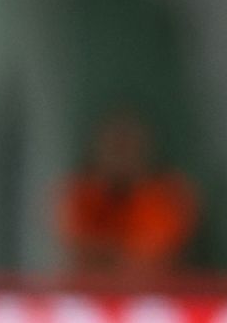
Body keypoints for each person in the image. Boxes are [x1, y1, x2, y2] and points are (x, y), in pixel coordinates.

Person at [58, 108, 198, 284]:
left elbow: (150, 260)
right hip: (91, 293)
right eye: (114, 147)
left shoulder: (169, 197)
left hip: (153, 294)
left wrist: (109, 255)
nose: (120, 156)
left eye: (128, 147)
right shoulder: (81, 195)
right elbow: (81, 251)